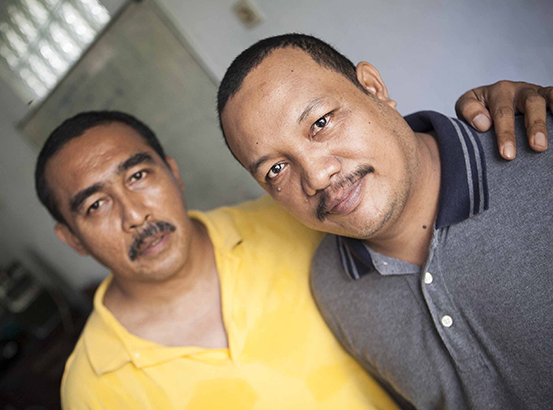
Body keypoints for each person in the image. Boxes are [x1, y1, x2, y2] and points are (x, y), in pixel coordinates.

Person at [37, 82, 545, 408]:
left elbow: (396, 177)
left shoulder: (297, 216)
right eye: (95, 205)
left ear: (173, 172)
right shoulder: (92, 388)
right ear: (71, 238)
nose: (135, 215)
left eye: (139, 176)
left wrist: (498, 118)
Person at [217, 34, 553, 409]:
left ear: (373, 88)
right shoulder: (333, 288)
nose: (317, 176)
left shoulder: (541, 155)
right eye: (276, 169)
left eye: (321, 122)